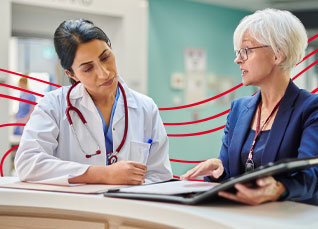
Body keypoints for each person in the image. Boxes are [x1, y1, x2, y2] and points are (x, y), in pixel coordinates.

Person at [181, 9, 318, 206]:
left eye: (246, 50)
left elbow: (312, 175)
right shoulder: (238, 108)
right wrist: (218, 170)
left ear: (278, 54)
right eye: (238, 52)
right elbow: (231, 173)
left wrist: (279, 189)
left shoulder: (310, 108)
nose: (238, 59)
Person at [14, 19, 172, 185]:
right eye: (88, 68)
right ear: (72, 74)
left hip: (130, 207)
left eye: (105, 57)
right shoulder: (53, 106)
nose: (104, 73)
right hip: (76, 209)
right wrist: (103, 174)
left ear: (110, 47)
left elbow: (160, 176)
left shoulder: (146, 108)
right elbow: (27, 164)